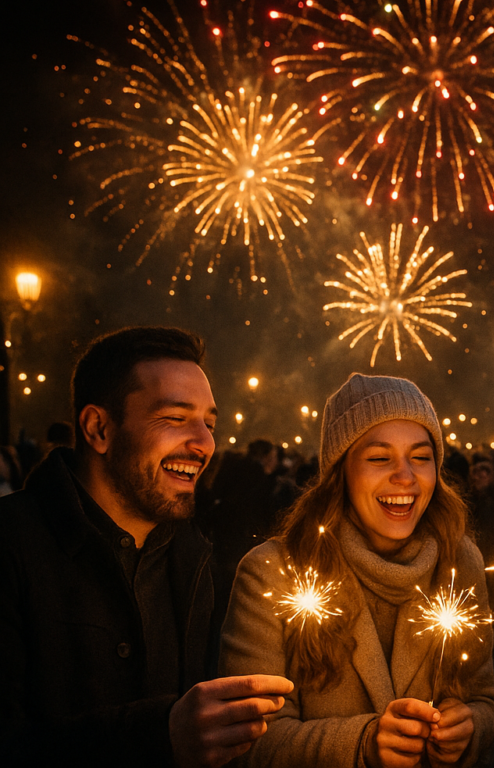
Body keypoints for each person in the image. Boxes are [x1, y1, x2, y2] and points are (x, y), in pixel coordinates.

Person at [0, 326, 292, 767]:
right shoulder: (12, 545)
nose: (204, 443)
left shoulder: (193, 560)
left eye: (209, 424)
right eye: (175, 418)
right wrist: (162, 733)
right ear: (99, 428)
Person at [219, 373, 494, 768]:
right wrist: (362, 745)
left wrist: (468, 726)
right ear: (340, 472)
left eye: (421, 458)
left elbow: (485, 699)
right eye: (379, 458)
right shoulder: (274, 572)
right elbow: (247, 741)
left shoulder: (460, 561)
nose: (405, 476)